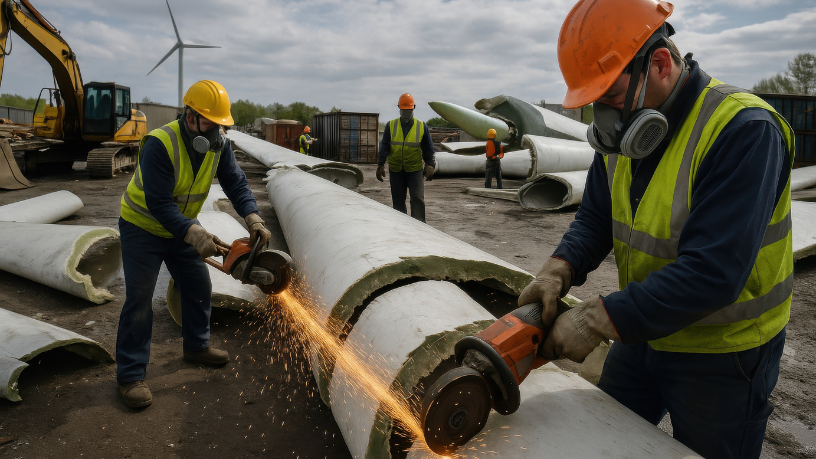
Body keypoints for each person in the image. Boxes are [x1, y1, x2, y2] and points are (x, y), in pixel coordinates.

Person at [517, 1, 794, 457]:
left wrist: (595, 319)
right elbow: (595, 218)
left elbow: (713, 272)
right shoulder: (620, 136)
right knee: (603, 439)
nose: (603, 121)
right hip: (645, 328)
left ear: (660, 64)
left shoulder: (744, 130)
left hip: (722, 353)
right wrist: (557, 269)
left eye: (608, 99)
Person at [117, 80, 272, 409]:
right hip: (142, 227)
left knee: (198, 284)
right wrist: (194, 232)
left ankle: (196, 347)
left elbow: (234, 181)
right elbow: (159, 203)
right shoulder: (160, 143)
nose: (217, 130)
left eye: (221, 124)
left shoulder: (219, 145)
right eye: (211, 123)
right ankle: (130, 376)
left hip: (181, 226)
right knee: (140, 299)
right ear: (191, 117)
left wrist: (253, 217)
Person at [376, 93, 436, 222]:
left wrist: (430, 164)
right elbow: (384, 146)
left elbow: (428, 148)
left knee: (417, 199)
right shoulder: (390, 125)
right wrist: (380, 164)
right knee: (398, 203)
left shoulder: (421, 126)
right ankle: (401, 228)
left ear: (413, 108)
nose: (406, 112)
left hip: (415, 171)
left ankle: (419, 228)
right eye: (404, 110)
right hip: (396, 171)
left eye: (408, 110)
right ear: (399, 109)